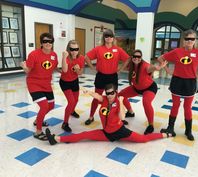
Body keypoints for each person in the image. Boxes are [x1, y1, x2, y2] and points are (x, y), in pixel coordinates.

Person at [45, 83, 173, 145]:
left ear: (116, 92)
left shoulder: (118, 101)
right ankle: (56, 139)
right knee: (84, 134)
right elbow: (97, 96)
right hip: (106, 133)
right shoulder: (105, 99)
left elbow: (122, 117)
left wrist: (122, 102)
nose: (110, 95)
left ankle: (166, 134)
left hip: (120, 132)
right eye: (108, 93)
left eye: (112, 93)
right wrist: (88, 91)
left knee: (143, 139)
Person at [158, 29, 198, 141]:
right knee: (175, 105)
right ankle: (170, 128)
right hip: (177, 81)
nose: (189, 41)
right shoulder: (177, 52)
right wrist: (167, 69)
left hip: (190, 82)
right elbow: (161, 58)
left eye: (192, 39)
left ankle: (188, 130)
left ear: (195, 40)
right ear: (183, 40)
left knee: (187, 107)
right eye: (187, 39)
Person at [84, 29, 130, 125]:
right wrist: (92, 67)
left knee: (114, 98)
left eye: (110, 36)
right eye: (106, 36)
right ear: (104, 38)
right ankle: (91, 116)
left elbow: (128, 58)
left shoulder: (118, 50)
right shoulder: (98, 49)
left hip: (112, 77)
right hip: (101, 76)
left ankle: (118, 117)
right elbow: (86, 57)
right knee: (97, 98)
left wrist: (121, 69)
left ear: (113, 38)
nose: (109, 38)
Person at [118, 49, 167, 135]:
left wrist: (157, 67)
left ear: (141, 58)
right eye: (135, 56)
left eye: (139, 57)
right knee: (121, 95)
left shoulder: (145, 66)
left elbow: (152, 67)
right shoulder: (131, 65)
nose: (137, 58)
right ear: (132, 57)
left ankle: (151, 125)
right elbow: (122, 68)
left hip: (149, 88)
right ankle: (130, 112)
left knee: (146, 102)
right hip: (136, 88)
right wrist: (128, 60)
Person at [20, 32, 58, 141]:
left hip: (46, 84)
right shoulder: (34, 54)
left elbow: (54, 67)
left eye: (50, 41)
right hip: (34, 83)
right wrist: (23, 66)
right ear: (41, 43)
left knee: (51, 106)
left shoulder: (54, 55)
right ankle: (38, 131)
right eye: (45, 41)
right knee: (44, 106)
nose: (48, 43)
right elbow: (28, 70)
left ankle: (38, 120)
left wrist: (65, 71)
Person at [59, 40, 85, 132]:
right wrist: (64, 57)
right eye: (72, 49)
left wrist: (77, 70)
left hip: (74, 81)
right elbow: (65, 70)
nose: (74, 51)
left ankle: (72, 111)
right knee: (71, 102)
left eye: (76, 49)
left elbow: (80, 73)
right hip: (65, 82)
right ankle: (65, 123)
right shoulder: (66, 57)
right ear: (68, 49)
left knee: (76, 100)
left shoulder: (81, 58)